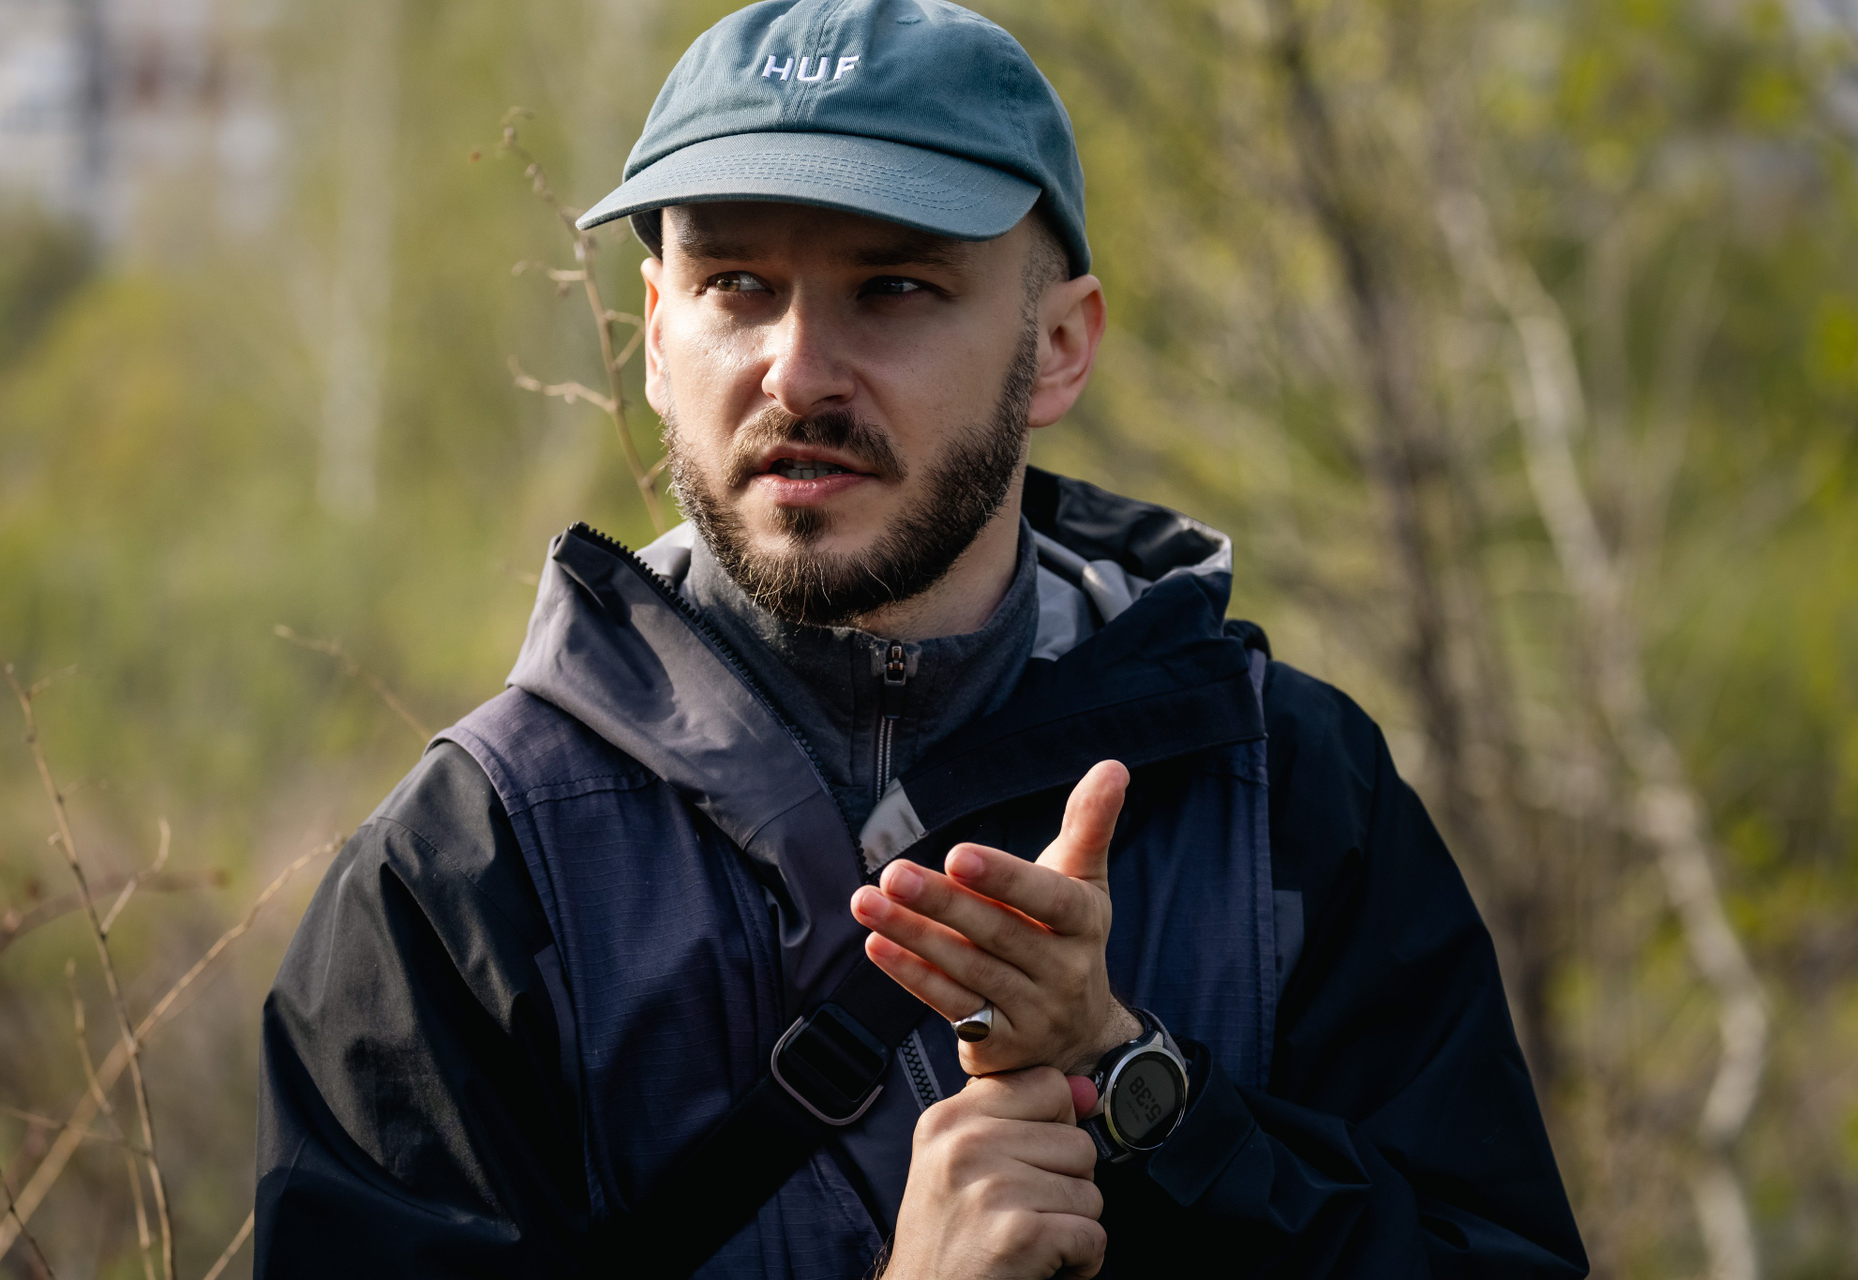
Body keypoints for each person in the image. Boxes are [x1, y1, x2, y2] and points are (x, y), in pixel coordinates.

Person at [253, 1, 1588, 1276]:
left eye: (893, 287)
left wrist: (1141, 1091)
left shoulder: (1290, 794)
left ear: (1056, 347)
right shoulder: (469, 870)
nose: (797, 370)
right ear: (657, 335)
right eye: (736, 284)